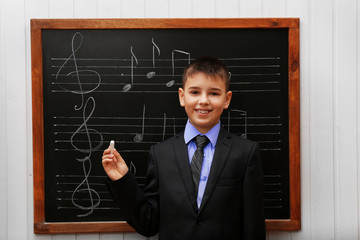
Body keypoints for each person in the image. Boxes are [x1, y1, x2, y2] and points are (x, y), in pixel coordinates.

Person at [102, 57, 266, 240]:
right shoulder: (160, 154)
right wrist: (122, 180)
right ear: (182, 96)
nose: (203, 101)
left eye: (214, 93)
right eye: (195, 92)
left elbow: (254, 226)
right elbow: (148, 223)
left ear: (227, 99)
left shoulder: (246, 152)